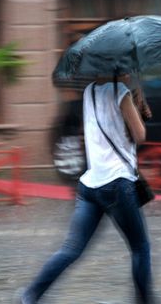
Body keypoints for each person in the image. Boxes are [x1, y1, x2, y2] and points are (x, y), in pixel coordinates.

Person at [17, 74, 153, 304]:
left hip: (90, 185)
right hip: (117, 184)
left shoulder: (90, 91)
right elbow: (140, 136)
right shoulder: (121, 92)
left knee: (70, 250)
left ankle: (30, 296)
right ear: (118, 65)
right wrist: (136, 102)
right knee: (140, 246)